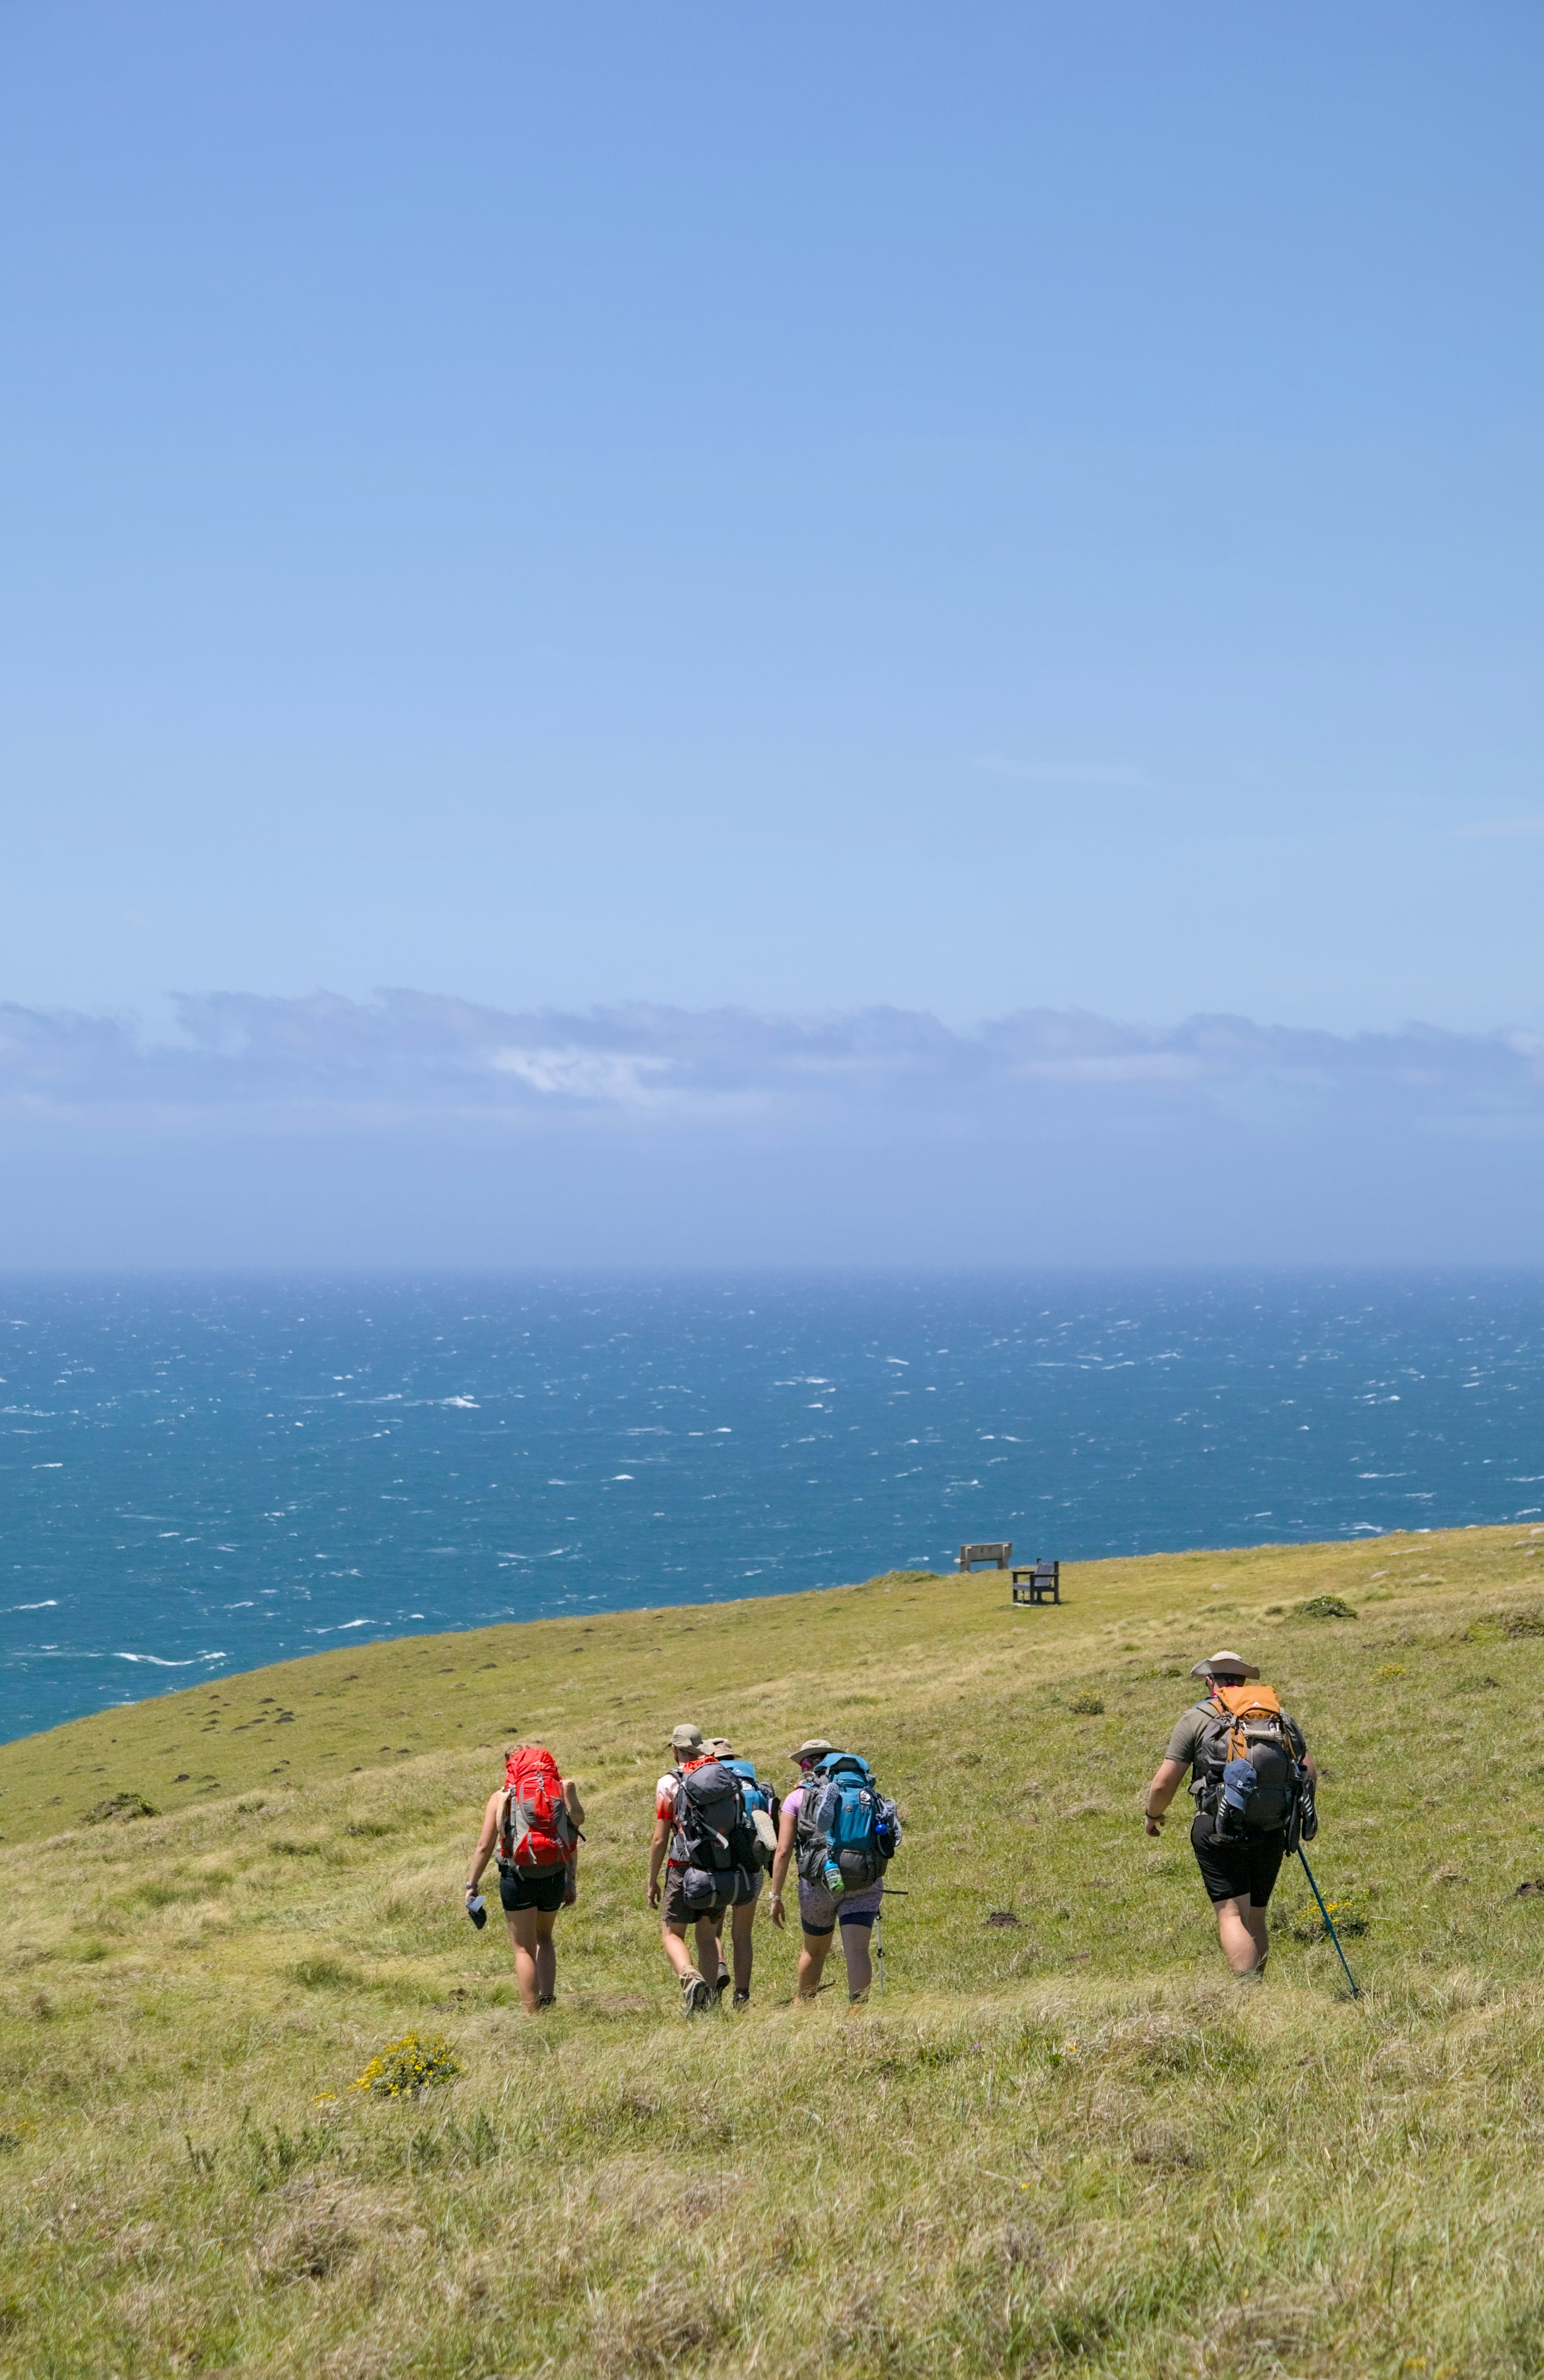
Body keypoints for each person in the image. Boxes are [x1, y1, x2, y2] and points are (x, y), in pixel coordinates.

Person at [1143, 1650, 1317, 1979]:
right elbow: (1308, 1772)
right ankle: (1258, 1987)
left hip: (1218, 1827)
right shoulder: (1278, 1716)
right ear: (1242, 1680)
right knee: (1256, 1915)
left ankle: (1246, 1991)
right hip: (1271, 1826)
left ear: (1211, 1682)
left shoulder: (1198, 1717)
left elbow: (1164, 1783)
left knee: (1230, 1915)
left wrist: (1153, 1815)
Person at [465, 1744, 585, 2015]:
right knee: (545, 1937)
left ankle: (533, 2015)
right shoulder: (558, 1791)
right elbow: (572, 1841)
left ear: (512, 1766)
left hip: (516, 1877)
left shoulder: (502, 1797)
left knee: (523, 1949)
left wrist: (472, 1884)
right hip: (554, 1874)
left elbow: (485, 1846)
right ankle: (548, 2000)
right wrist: (571, 1882)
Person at [768, 1737, 884, 2006]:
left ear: (809, 1766)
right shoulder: (864, 1791)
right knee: (857, 1951)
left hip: (818, 1884)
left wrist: (775, 1896)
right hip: (863, 1878)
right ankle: (857, 2016)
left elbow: (783, 1851)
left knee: (814, 1950)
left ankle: (804, 2007)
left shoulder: (797, 1797)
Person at [648, 1722, 732, 2015]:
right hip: (719, 1866)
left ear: (674, 1748)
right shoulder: (721, 1776)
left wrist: (652, 1881)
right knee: (708, 1938)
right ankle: (710, 2005)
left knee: (672, 1935)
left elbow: (660, 1838)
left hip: (683, 1867)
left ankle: (690, 1979)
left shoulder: (668, 1783)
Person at [703, 1736, 774, 2008]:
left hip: (718, 1868)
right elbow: (770, 1835)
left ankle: (718, 1968)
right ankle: (742, 1996)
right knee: (743, 1934)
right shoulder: (756, 1786)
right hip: (751, 1867)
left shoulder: (706, 1783)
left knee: (713, 1932)